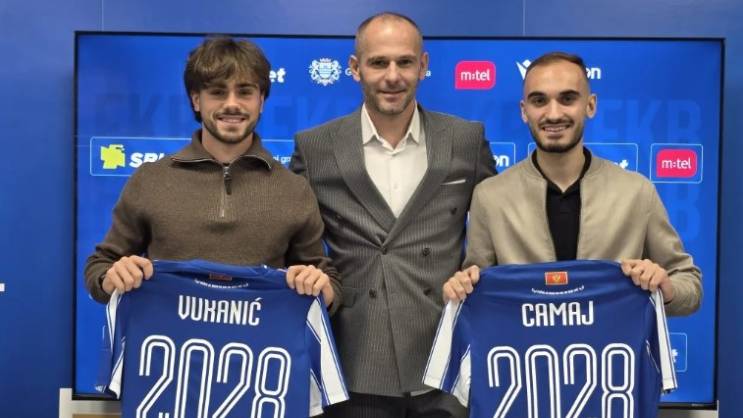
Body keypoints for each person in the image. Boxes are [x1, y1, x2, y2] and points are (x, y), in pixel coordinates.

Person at [290, 12, 495, 418]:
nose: (392, 76)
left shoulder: (466, 140)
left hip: (446, 359)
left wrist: (480, 276)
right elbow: (293, 242)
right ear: (355, 68)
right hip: (354, 360)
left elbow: (500, 222)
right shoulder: (315, 148)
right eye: (378, 63)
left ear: (423, 65)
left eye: (404, 62)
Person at [85, 36, 340, 310]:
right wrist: (110, 276)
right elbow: (100, 266)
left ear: (261, 101)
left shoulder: (294, 189)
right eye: (218, 92)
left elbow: (328, 282)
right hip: (165, 338)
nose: (232, 104)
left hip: (263, 336)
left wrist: (322, 287)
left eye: (245, 92)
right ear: (196, 100)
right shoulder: (150, 180)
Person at [443, 51, 701, 317]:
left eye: (567, 99)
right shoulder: (490, 197)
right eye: (539, 101)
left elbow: (689, 283)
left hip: (614, 344)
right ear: (524, 111)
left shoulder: (636, 192)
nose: (553, 114)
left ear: (590, 105)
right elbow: (477, 293)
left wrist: (666, 288)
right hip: (525, 344)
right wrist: (461, 291)